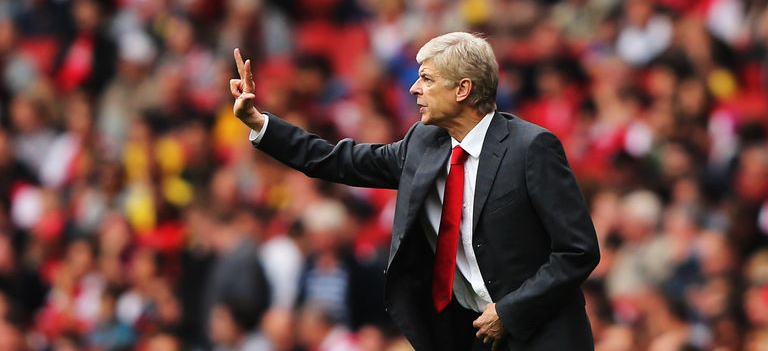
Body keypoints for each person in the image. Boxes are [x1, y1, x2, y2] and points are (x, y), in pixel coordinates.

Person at [230, 32, 600, 350]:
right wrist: (260, 123)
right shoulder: (423, 144)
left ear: (463, 89)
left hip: (544, 336)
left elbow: (577, 251)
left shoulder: (531, 148)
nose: (413, 88)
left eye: (426, 78)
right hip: (469, 337)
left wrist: (509, 311)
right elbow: (337, 160)